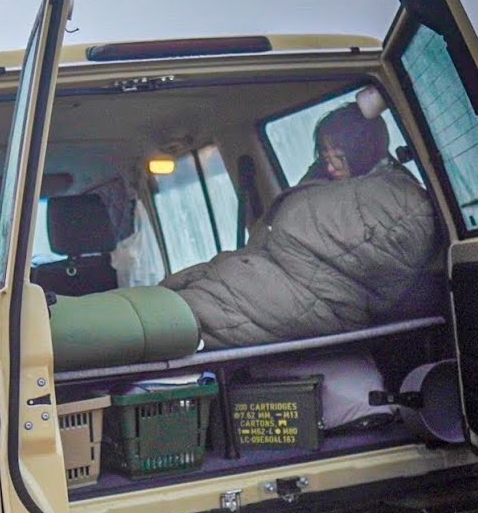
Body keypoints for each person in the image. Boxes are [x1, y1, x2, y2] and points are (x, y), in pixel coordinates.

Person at [161, 103, 444, 349]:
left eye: (339, 156)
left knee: (178, 318)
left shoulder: (398, 200)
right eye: (325, 156)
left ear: (363, 151)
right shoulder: (330, 188)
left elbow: (330, 256)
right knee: (171, 296)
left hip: (305, 295)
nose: (330, 167)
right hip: (265, 270)